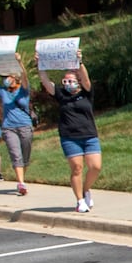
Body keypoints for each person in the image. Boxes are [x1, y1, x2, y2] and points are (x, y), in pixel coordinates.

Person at [37, 50, 101, 213]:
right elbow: (46, 82)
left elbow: (86, 78)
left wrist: (79, 61)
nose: (67, 83)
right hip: (69, 137)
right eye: (65, 81)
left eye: (70, 80)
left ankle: (86, 189)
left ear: (78, 82)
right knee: (77, 168)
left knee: (95, 167)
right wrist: (41, 65)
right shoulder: (61, 95)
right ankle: (80, 200)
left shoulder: (86, 93)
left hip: (89, 135)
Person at [0, 53, 33, 196]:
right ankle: (21, 183)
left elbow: (25, 77)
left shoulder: (23, 90)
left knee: (25, 156)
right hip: (9, 127)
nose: (4, 80)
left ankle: (22, 175)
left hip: (25, 125)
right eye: (3, 78)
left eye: (7, 77)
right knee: (16, 155)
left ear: (14, 77)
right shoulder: (1, 91)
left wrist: (19, 62)